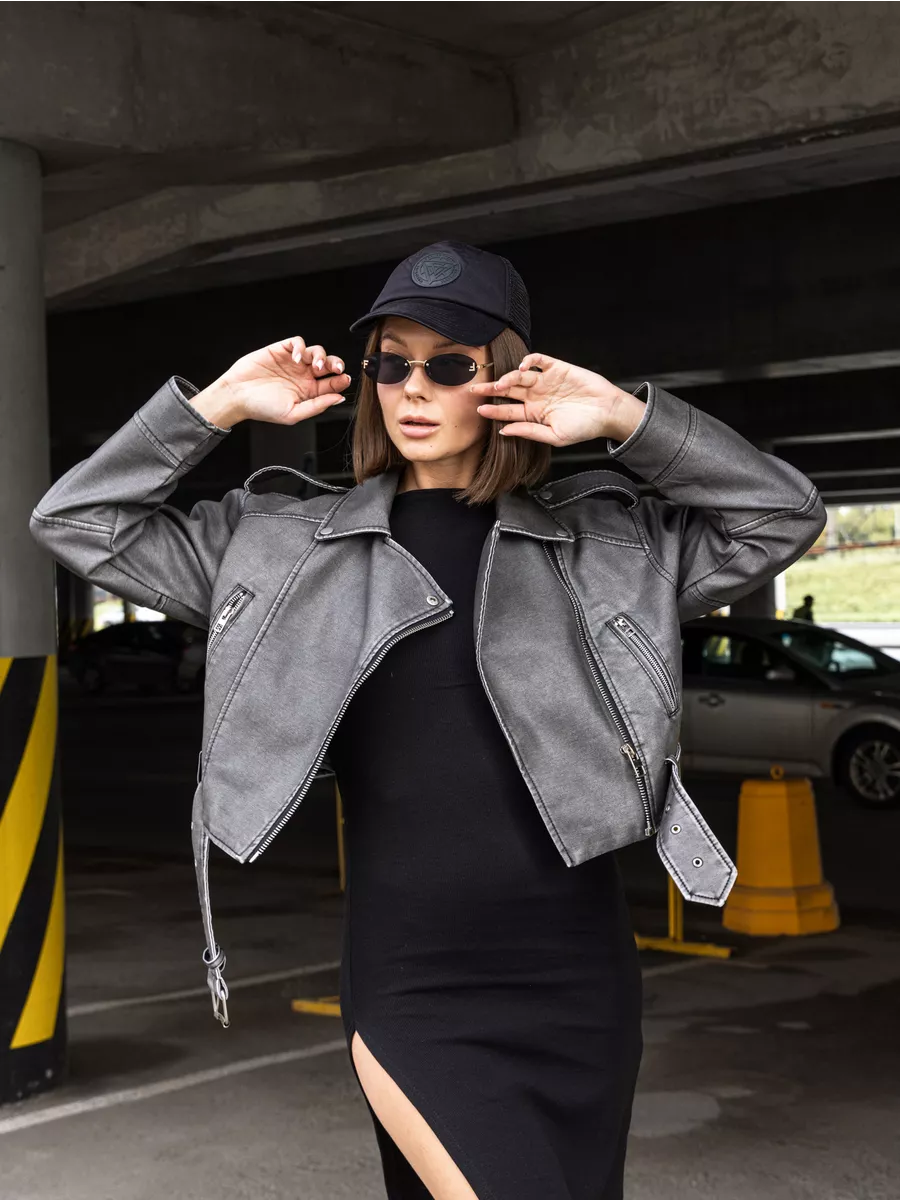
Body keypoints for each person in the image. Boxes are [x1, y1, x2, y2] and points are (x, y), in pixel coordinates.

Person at [29, 240, 825, 1200]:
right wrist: (219, 406)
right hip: (414, 980)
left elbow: (781, 517)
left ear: (507, 377)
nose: (413, 388)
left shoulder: (607, 545)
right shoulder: (281, 548)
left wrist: (628, 418)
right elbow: (76, 521)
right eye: (391, 363)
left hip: (577, 980)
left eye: (449, 365)